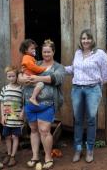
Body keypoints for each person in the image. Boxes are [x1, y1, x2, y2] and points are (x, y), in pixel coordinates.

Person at [18, 39, 65, 169]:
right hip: (30, 104)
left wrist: (38, 78)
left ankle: (48, 157)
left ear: (53, 52)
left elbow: (56, 79)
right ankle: (35, 156)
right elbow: (20, 76)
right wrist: (22, 79)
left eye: (49, 51)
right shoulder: (34, 62)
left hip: (46, 104)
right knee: (33, 130)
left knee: (44, 130)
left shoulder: (58, 67)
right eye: (44, 51)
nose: (46, 54)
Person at [65, 29, 107, 163]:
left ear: (92, 40)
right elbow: (74, 68)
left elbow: (106, 75)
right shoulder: (78, 53)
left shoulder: (100, 54)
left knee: (91, 119)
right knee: (78, 120)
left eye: (88, 38)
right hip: (77, 89)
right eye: (83, 38)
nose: (86, 41)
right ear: (80, 40)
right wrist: (58, 68)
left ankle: (90, 149)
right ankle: (78, 149)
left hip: (92, 90)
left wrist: (96, 86)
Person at [0, 66, 24, 167]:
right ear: (7, 77)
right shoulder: (4, 89)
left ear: (17, 76)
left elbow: (25, 103)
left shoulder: (21, 89)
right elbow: (2, 103)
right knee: (7, 136)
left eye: (13, 76)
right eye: (9, 76)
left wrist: (23, 112)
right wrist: (2, 116)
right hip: (7, 117)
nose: (11, 78)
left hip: (17, 118)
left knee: (15, 136)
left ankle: (13, 156)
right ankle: (8, 154)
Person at [19, 39, 47, 106]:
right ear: (26, 50)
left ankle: (32, 98)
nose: (34, 50)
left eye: (34, 48)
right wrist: (42, 69)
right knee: (40, 84)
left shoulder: (30, 57)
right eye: (32, 48)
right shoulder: (27, 57)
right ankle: (33, 98)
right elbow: (33, 67)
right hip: (28, 76)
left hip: (28, 76)